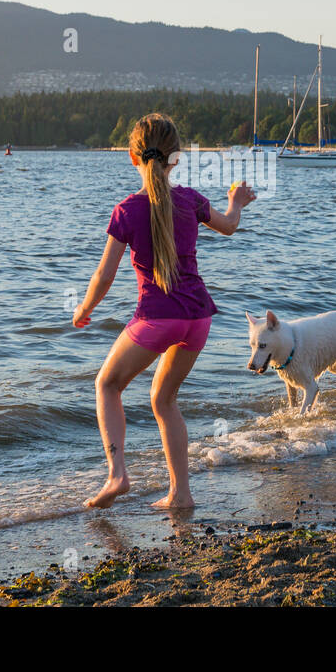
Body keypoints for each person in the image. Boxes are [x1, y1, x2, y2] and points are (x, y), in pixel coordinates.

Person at [72, 113, 256, 509]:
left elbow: (104, 276)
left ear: (131, 156)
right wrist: (236, 201)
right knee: (164, 400)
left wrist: (84, 308)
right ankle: (181, 494)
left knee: (107, 385)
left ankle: (118, 475)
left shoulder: (126, 210)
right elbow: (229, 226)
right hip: (198, 318)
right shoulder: (190, 199)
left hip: (157, 318)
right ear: (176, 158)